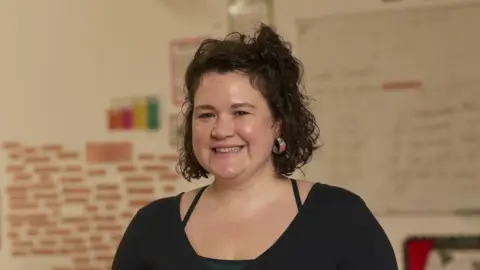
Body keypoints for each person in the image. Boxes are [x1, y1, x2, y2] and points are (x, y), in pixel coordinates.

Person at [111, 24, 398, 270]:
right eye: (206, 114)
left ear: (278, 123)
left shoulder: (341, 218)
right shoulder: (152, 226)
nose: (221, 130)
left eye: (241, 112)